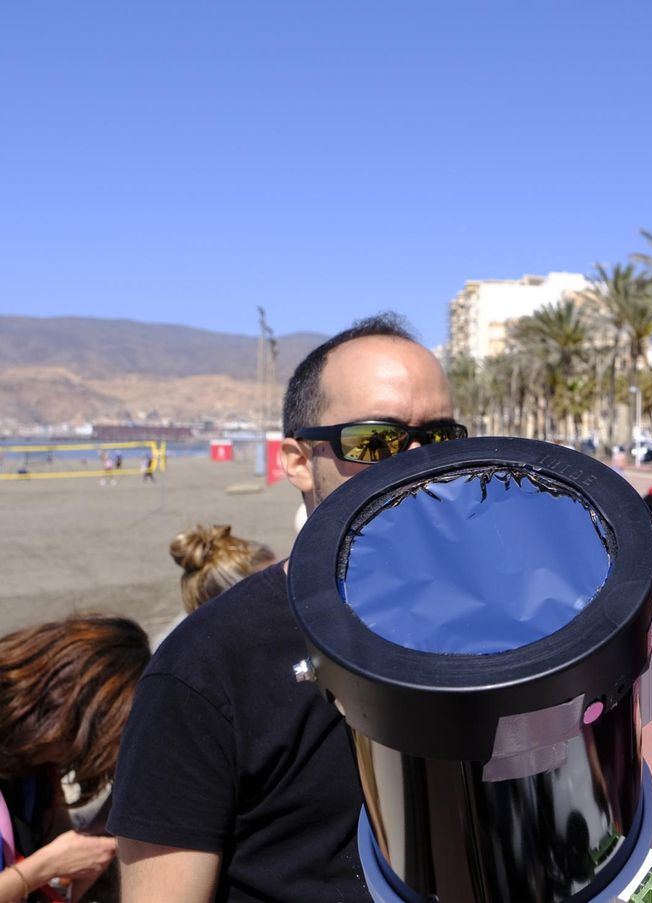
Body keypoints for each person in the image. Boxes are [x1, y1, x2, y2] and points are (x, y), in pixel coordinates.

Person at [109, 313, 464, 902]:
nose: (419, 464)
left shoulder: (501, 624)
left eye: (443, 438)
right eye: (376, 441)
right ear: (298, 462)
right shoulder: (206, 669)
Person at [0, 616, 150, 902]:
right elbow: (48, 862)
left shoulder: (37, 766)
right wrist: (44, 867)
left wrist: (84, 855)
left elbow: (56, 848)